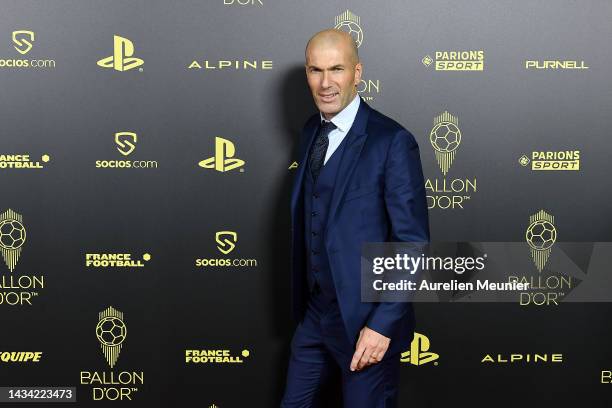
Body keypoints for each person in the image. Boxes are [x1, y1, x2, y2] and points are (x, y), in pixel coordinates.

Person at [282, 29, 430, 407]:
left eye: (337, 69)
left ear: (358, 73)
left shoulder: (392, 141)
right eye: (316, 70)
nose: (326, 82)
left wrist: (381, 327)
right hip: (316, 314)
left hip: (366, 322)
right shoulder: (311, 130)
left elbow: (412, 244)